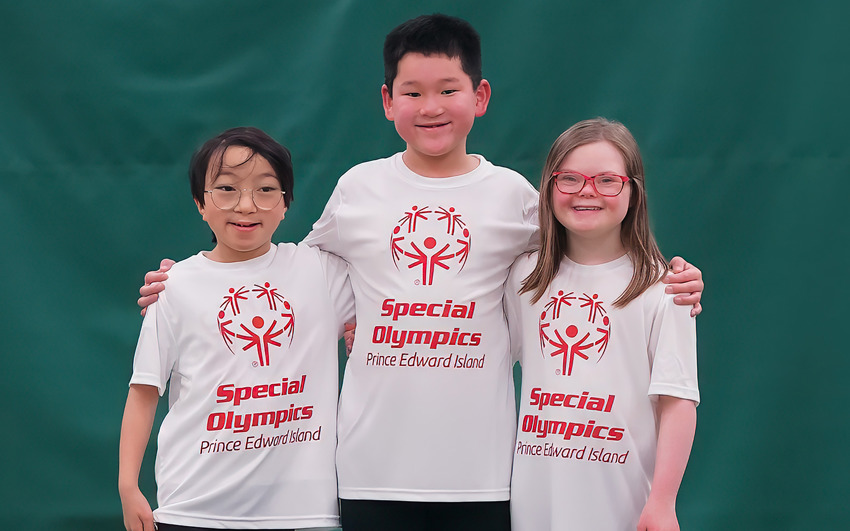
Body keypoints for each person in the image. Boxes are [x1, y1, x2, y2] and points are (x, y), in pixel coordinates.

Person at [138, 15, 704, 530]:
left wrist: (670, 275)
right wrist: (188, 278)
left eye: (448, 90)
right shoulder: (358, 189)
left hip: (484, 476)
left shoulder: (512, 197)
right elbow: (287, 273)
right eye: (412, 92)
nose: (431, 106)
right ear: (387, 101)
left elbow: (584, 249)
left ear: (480, 96)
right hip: (367, 470)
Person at [119, 127, 354, 531]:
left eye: (265, 190)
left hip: (300, 512)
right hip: (194, 508)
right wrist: (128, 486)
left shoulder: (320, 272)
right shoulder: (175, 286)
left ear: (286, 203)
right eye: (226, 190)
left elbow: (398, 292)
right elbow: (144, 390)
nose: (246, 206)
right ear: (200, 203)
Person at [505, 118, 699, 530]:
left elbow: (678, 400)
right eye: (570, 178)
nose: (587, 191)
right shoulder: (523, 279)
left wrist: (663, 502)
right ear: (548, 187)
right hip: (534, 507)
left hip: (622, 509)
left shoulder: (665, 288)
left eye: (607, 180)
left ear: (634, 191)